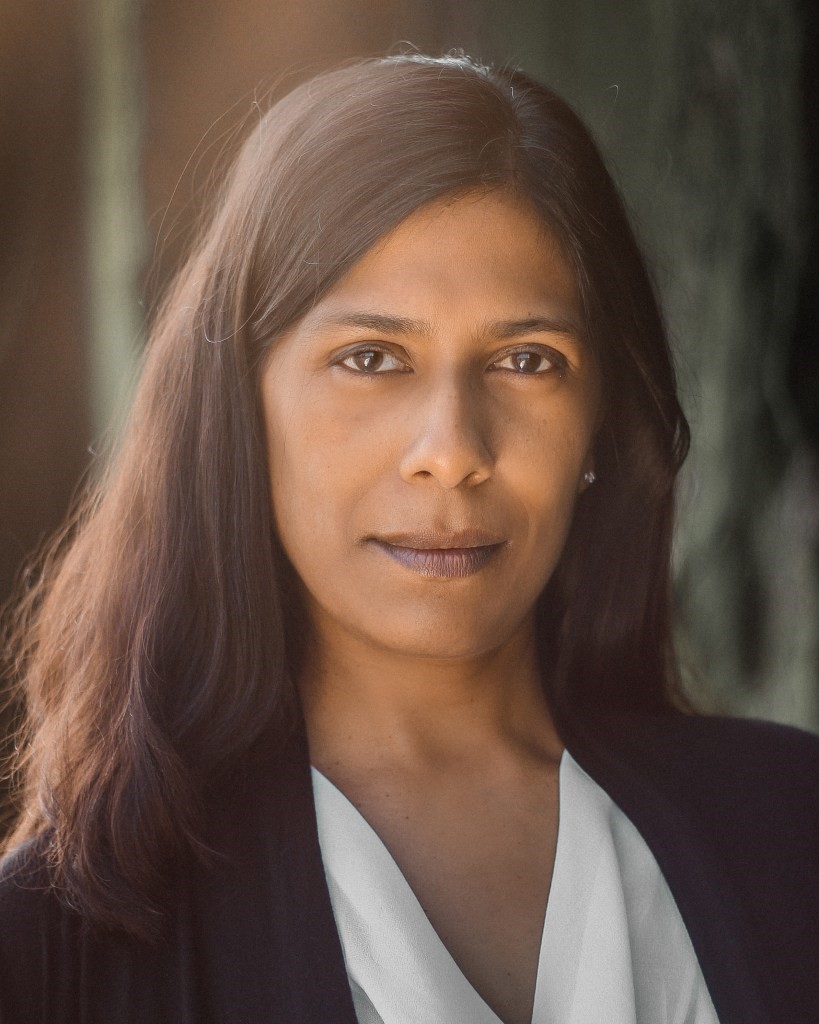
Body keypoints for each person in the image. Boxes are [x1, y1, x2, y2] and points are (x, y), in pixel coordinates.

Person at [0, 52, 817, 1024]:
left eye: (526, 359)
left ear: (600, 418)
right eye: (371, 358)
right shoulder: (55, 948)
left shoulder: (790, 826)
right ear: (239, 410)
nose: (452, 452)